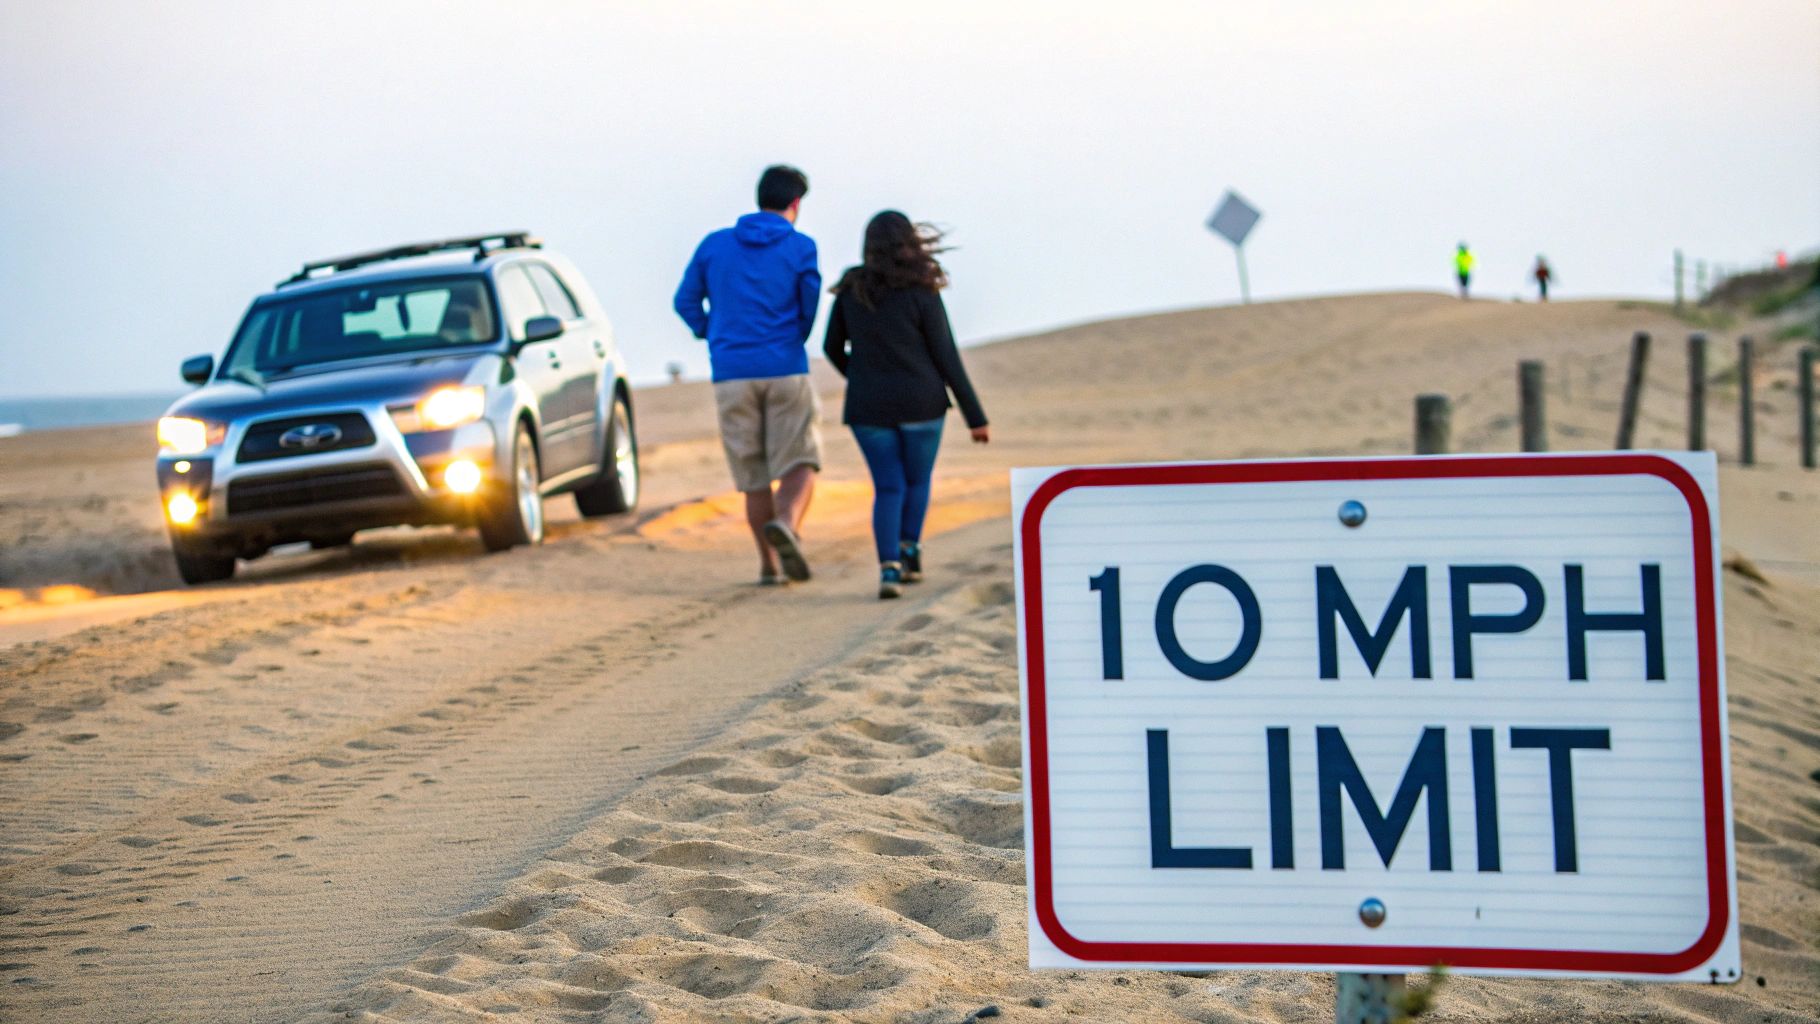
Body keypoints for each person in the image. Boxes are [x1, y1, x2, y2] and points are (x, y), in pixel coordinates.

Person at [823, 211, 989, 599]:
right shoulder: (922, 290)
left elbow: (831, 348)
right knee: (916, 481)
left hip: (869, 409)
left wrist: (861, 378)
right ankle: (909, 549)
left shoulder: (851, 289)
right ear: (910, 242)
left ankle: (889, 569)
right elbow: (946, 355)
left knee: (887, 487)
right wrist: (975, 418)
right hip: (922, 404)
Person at [674, 165, 823, 585]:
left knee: (753, 476)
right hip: (785, 368)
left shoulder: (714, 245)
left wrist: (712, 331)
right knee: (800, 461)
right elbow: (808, 305)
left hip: (731, 373)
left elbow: (685, 300)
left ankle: (769, 566)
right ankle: (789, 525)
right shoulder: (801, 247)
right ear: (795, 204)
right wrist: (792, 337)